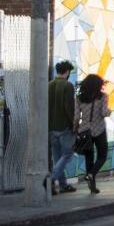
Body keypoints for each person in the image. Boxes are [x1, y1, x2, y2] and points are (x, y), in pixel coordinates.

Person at [75, 74, 111, 194]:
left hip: (85, 131)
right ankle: (91, 174)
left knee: (88, 158)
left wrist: (75, 129)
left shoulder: (79, 98)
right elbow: (104, 113)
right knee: (102, 156)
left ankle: (92, 185)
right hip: (99, 130)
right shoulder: (103, 97)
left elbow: (76, 117)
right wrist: (109, 111)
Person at [47, 60, 77, 195]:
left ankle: (63, 185)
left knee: (57, 157)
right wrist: (74, 124)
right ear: (67, 72)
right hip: (64, 127)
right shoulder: (68, 86)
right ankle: (50, 180)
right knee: (67, 155)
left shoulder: (49, 85)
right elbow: (69, 108)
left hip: (51, 128)